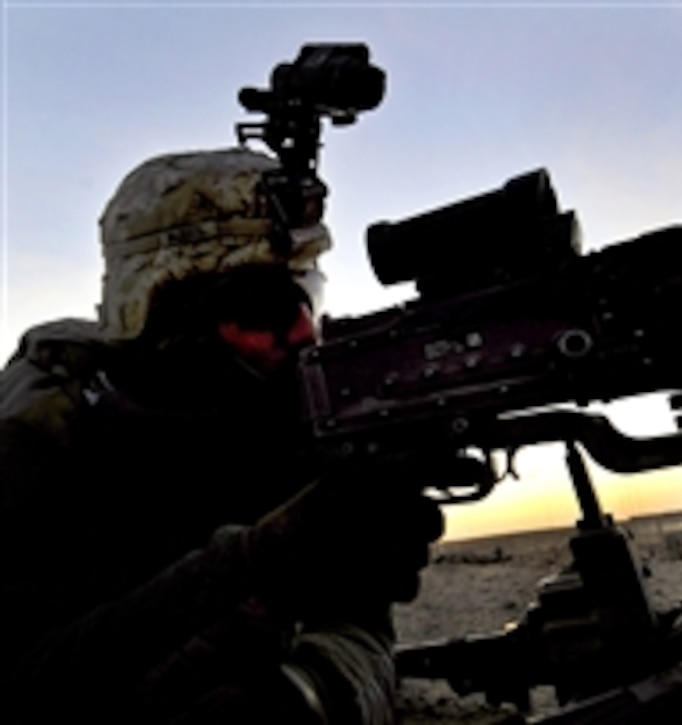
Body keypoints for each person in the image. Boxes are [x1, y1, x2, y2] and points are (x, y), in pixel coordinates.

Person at [0, 147, 450, 724]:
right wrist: (261, 557)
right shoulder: (35, 440)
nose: (305, 331)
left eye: (306, 294)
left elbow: (359, 629)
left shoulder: (280, 420)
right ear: (170, 318)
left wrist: (308, 693)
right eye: (263, 306)